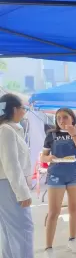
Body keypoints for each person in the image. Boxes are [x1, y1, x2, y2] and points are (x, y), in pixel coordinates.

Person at [40, 108, 76, 257]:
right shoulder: (51, 134)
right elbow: (43, 157)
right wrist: (48, 159)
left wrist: (74, 135)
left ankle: (72, 239)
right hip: (56, 174)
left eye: (65, 117)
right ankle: (48, 248)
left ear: (72, 118)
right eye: (58, 118)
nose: (61, 120)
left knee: (74, 209)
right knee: (54, 211)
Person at [0, 93, 34, 258]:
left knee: (10, 230)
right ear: (14, 109)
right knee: (22, 229)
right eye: (23, 108)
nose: (25, 111)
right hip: (9, 184)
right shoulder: (6, 130)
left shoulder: (9, 128)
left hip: (7, 184)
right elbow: (11, 164)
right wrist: (22, 192)